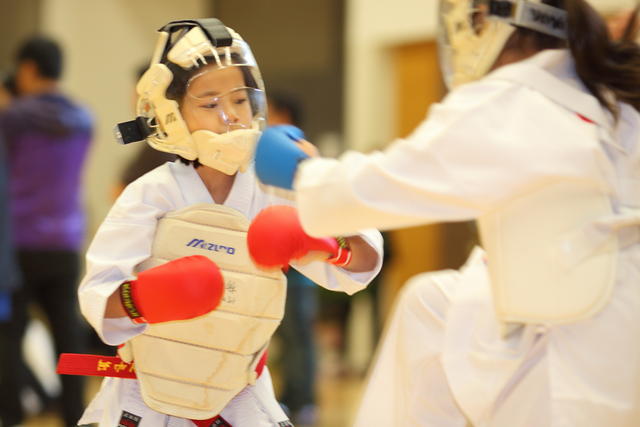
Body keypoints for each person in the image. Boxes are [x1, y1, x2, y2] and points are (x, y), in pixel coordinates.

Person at [252, 0, 640, 425]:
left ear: (494, 24)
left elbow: (393, 180)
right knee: (430, 302)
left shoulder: (511, 98)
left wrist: (304, 172)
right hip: (609, 328)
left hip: (573, 348)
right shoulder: (601, 96)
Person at [70, 18, 383, 427]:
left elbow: (360, 263)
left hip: (241, 395)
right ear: (172, 114)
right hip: (146, 396)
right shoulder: (151, 194)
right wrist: (145, 298)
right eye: (209, 103)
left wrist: (323, 243)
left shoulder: (271, 188)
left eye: (239, 100)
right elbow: (99, 296)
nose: (231, 116)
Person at [0, 35, 93, 427]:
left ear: (27, 69)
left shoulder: (13, 118)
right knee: (67, 335)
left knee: (9, 336)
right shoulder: (85, 120)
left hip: (20, 244)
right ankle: (76, 416)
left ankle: (12, 415)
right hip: (66, 242)